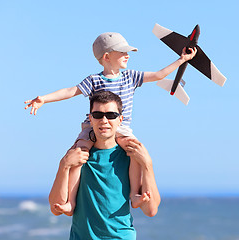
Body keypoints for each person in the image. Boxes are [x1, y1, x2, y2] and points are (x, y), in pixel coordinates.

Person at [24, 32, 197, 214]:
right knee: (78, 154)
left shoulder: (130, 76)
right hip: (93, 126)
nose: (127, 55)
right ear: (107, 57)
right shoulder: (93, 80)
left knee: (135, 151)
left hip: (121, 128)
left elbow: (158, 75)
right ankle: (70, 202)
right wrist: (44, 99)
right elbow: (70, 91)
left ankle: (135, 195)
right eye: (122, 52)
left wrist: (181, 59)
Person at [49, 91, 161, 239]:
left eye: (111, 115)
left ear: (120, 120)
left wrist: (147, 163)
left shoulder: (131, 155)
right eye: (97, 115)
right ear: (90, 118)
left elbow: (150, 210)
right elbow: (57, 209)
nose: (104, 120)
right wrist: (63, 165)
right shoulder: (79, 155)